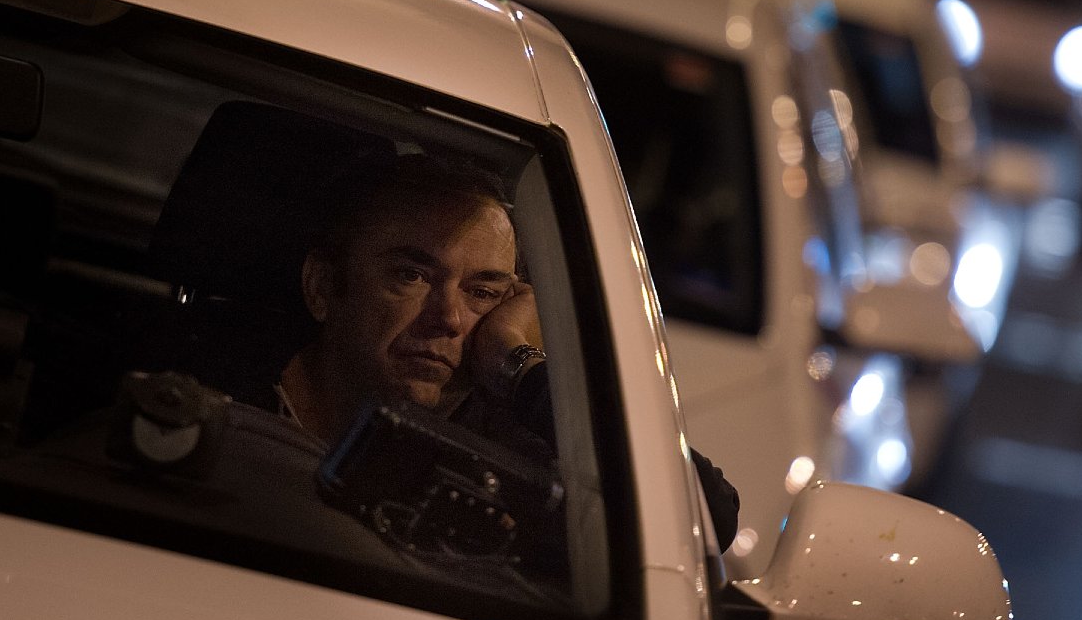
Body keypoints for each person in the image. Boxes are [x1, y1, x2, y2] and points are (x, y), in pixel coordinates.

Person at [270, 152, 740, 552]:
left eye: (482, 292)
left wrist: (520, 367)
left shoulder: (508, 444)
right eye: (411, 276)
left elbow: (706, 518)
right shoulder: (216, 385)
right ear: (323, 286)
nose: (448, 319)